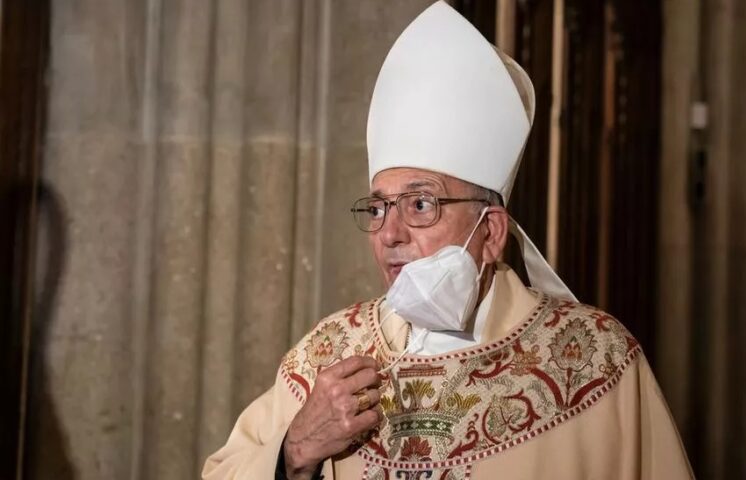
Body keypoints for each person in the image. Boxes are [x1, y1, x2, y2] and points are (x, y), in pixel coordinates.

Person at [202, 2, 693, 479]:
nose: (389, 234)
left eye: (420, 204)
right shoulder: (325, 358)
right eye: (378, 207)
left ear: (492, 232)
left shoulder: (594, 363)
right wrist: (295, 452)